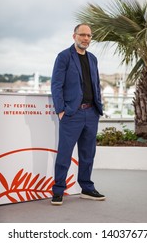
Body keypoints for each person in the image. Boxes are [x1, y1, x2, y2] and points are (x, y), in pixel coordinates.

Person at [51, 23, 105, 205]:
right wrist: (60, 110)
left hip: (91, 113)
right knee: (65, 154)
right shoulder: (64, 57)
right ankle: (58, 190)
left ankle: (87, 188)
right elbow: (56, 85)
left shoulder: (93, 59)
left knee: (88, 153)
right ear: (74, 36)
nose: (86, 39)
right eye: (82, 35)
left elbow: (96, 84)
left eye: (89, 36)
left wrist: (99, 106)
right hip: (72, 114)